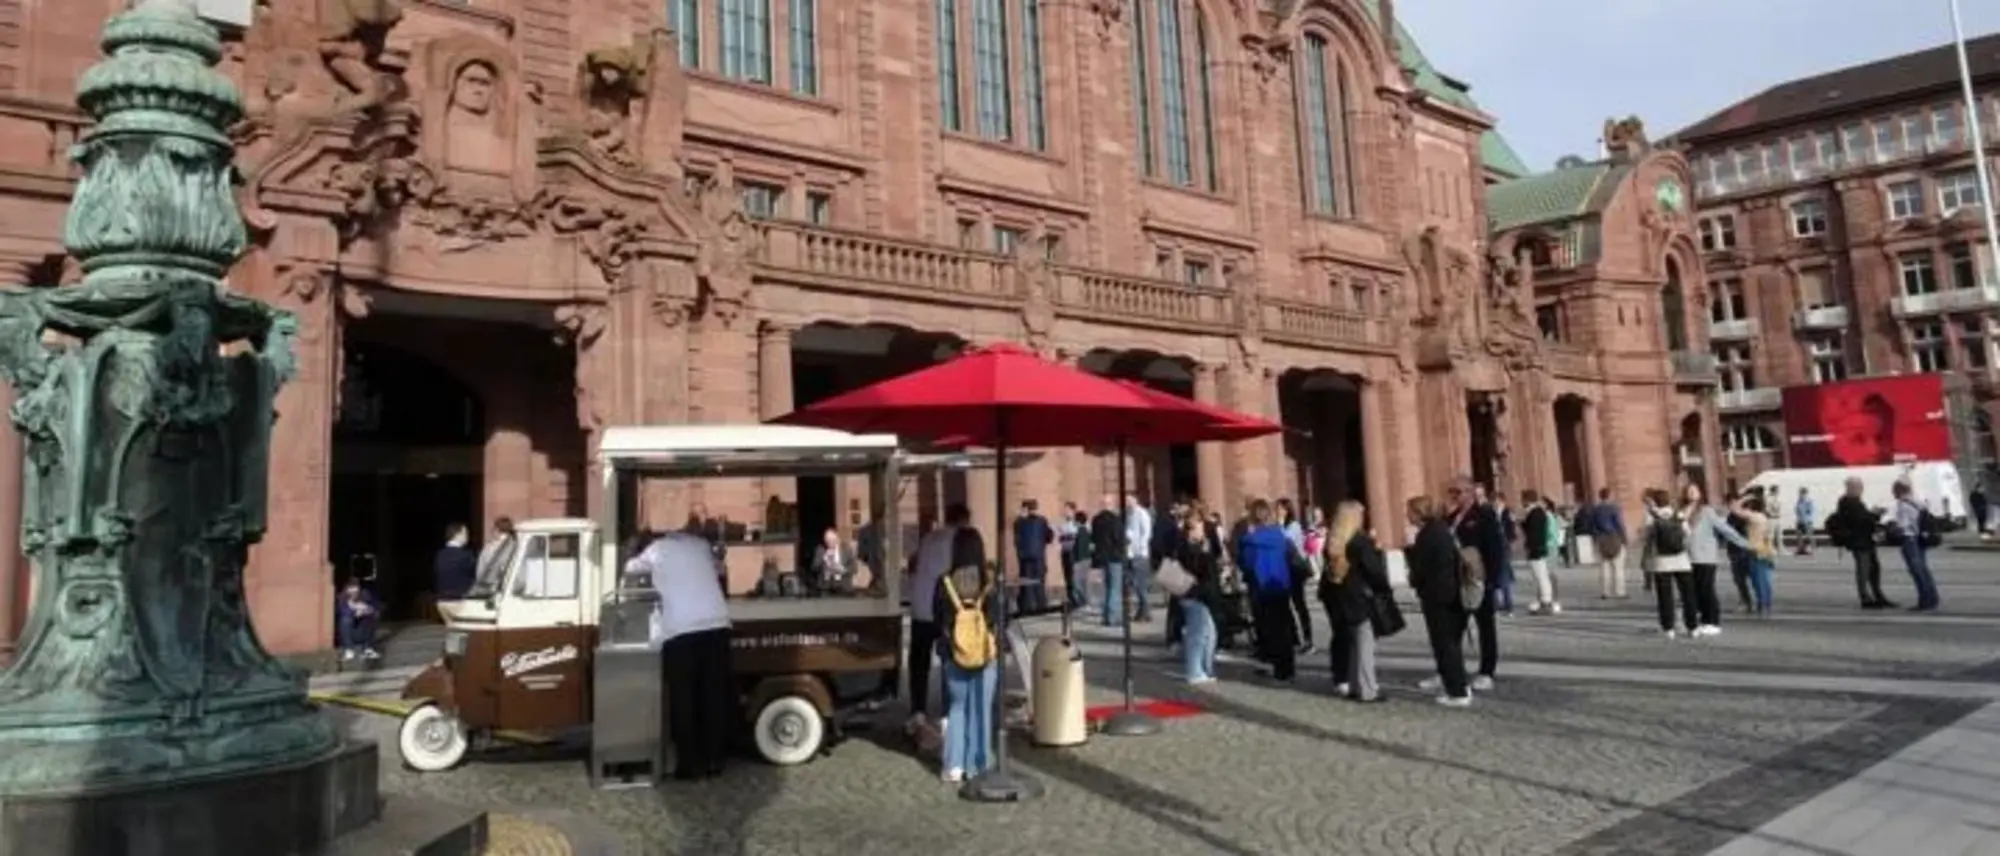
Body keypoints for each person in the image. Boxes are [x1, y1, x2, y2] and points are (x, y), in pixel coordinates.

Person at [629, 531, 733, 780]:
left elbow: (630, 570)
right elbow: (719, 568)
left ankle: (689, 764)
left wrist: (632, 550)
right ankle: (715, 760)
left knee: (684, 700)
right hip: (717, 625)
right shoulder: (699, 543)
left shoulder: (656, 550)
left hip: (681, 630)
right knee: (713, 697)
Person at [934, 525, 998, 783]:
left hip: (954, 654)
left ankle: (954, 765)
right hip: (984, 656)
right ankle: (979, 764)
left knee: (957, 708)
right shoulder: (989, 582)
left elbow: (938, 617)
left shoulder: (945, 582)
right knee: (982, 709)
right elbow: (998, 618)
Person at [907, 503, 974, 732]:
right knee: (950, 661)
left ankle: (918, 711)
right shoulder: (963, 539)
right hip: (944, 608)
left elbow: (913, 564)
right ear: (964, 520)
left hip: (920, 604)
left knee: (919, 662)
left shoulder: (929, 538)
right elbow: (967, 575)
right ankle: (948, 713)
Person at [1403, 496, 1472, 707]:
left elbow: (1422, 569)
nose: (1407, 515)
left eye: (1410, 511)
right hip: (1448, 594)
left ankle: (1457, 691)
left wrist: (1410, 555)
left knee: (1445, 643)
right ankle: (1455, 682)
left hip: (1439, 596)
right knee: (1449, 643)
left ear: (1418, 513)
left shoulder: (1429, 535)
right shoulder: (1439, 530)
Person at [1320, 501, 1390, 702]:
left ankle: (1353, 685)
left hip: (1340, 598)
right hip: (1360, 598)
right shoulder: (1360, 542)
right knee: (1364, 644)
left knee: (1352, 643)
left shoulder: (1334, 541)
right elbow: (1374, 572)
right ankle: (1368, 690)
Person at [1445, 483, 1503, 691]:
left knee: (1485, 628)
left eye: (1457, 491)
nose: (1454, 496)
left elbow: (1496, 548)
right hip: (1458, 581)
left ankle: (1487, 671)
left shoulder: (1484, 515)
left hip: (1479, 579)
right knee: (1453, 629)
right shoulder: (1451, 518)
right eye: (1452, 492)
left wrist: (1493, 580)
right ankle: (1450, 670)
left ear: (1469, 493)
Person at [1236, 499, 1297, 682]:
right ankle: (1287, 667)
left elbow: (1246, 563)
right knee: (1284, 626)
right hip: (1280, 585)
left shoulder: (1249, 542)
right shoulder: (1279, 536)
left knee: (1267, 627)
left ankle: (1273, 663)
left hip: (1261, 587)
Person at [1682, 483, 1751, 637]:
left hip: (1706, 557)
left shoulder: (1706, 511)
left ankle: (1713, 621)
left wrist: (1744, 543)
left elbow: (1724, 529)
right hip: (1687, 557)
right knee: (1695, 591)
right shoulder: (1683, 512)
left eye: (1694, 490)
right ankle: (1702, 620)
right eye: (1688, 491)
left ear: (1700, 494)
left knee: (1707, 589)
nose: (1691, 493)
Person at [1638, 488, 1698, 638]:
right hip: (1682, 560)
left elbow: (1646, 538)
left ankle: (1668, 628)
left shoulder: (1651, 516)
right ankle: (1692, 626)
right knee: (1688, 594)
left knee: (1665, 596)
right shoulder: (1678, 514)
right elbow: (1688, 534)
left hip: (1661, 561)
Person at [1824, 478, 1891, 609]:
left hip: (1865, 540)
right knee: (1864, 569)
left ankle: (1877, 595)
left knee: (1873, 568)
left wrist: (1872, 515)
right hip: (1859, 541)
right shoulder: (1850, 502)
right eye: (1859, 487)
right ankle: (1866, 597)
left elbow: (1862, 518)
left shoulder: (1851, 502)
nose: (1861, 489)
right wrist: (1875, 515)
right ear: (1852, 488)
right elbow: (1860, 520)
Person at [1172, 512, 1222, 684]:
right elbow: (1197, 569)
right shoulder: (1189, 548)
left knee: (1208, 633)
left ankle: (1204, 668)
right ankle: (1195, 671)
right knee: (1197, 634)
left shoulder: (1193, 546)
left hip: (1196, 593)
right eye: (1200, 528)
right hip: (1194, 594)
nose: (1203, 531)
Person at [1889, 481, 1942, 612]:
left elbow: (1904, 525)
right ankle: (1932, 598)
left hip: (1909, 539)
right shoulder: (1918, 502)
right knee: (1924, 570)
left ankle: (1924, 600)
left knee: (1917, 571)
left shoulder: (1903, 505)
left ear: (1898, 491)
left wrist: (1893, 528)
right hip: (1920, 539)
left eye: (1894, 490)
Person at [1274, 498, 1316, 655]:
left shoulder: (1294, 526)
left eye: (1281, 509)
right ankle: (1294, 638)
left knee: (1299, 605)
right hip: (1284, 569)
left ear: (1287, 510)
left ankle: (1308, 639)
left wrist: (1279, 524)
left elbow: (1285, 541)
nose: (1278, 512)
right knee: (1286, 605)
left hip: (1295, 569)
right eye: (1277, 509)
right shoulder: (1282, 526)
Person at [1734, 493, 1779, 616]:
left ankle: (1762, 603)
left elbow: (1734, 509)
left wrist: (1746, 497)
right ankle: (1767, 603)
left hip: (1755, 550)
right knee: (1766, 579)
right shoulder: (1764, 517)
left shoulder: (1753, 516)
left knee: (1758, 579)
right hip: (1766, 550)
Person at [1582, 488, 1629, 598]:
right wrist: (1624, 538)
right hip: (1614, 537)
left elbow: (1591, 526)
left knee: (1604, 567)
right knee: (1618, 567)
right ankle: (1620, 591)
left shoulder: (1595, 510)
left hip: (1601, 539)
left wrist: (1596, 537)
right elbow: (1619, 524)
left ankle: (1605, 591)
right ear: (1610, 496)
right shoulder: (1614, 509)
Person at [1520, 490, 1560, 615]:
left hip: (1536, 549)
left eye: (1523, 499)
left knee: (1540, 576)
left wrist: (1530, 546)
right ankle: (1545, 600)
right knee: (1541, 576)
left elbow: (1533, 533)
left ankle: (1545, 601)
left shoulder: (1535, 513)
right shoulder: (1537, 512)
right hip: (1539, 548)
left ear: (1527, 499)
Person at [1089, 495, 1127, 626]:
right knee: (1115, 588)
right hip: (1115, 557)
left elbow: (1093, 538)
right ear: (1111, 505)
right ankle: (1113, 617)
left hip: (1101, 557)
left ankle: (1105, 616)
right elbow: (1119, 538)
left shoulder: (1096, 520)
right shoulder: (1115, 519)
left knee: (1105, 587)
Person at [1012, 500, 1054, 614]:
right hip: (1039, 557)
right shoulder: (1042, 521)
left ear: (1024, 509)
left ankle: (1026, 607)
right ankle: (1041, 607)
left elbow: (1016, 540)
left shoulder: (1018, 522)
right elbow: (1049, 537)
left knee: (1026, 584)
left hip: (1025, 559)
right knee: (1040, 583)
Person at [1124, 495, 1155, 623]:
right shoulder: (1130, 515)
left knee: (1140, 584)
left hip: (1140, 554)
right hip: (1131, 553)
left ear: (1135, 501)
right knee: (1134, 584)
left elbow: (1146, 533)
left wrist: (1141, 549)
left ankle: (1145, 611)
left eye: (1129, 501)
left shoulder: (1142, 514)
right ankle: (1142, 611)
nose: (1127, 504)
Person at [334, 577, 381, 661]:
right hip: (350, 632)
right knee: (345, 620)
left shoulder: (365, 596)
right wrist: (355, 613)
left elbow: (375, 609)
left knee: (370, 617)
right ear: (347, 589)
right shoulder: (342, 599)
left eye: (355, 587)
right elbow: (343, 611)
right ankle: (349, 650)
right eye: (351, 588)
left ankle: (368, 649)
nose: (353, 590)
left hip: (363, 631)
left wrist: (366, 611)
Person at [434, 522, 478, 601]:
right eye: (465, 533)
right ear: (457, 535)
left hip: (442, 597)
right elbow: (476, 575)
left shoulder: (440, 554)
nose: (467, 537)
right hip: (461, 597)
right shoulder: (466, 555)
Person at [808, 527, 854, 595]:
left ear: (838, 539)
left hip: (843, 587)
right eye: (827, 541)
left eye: (832, 541)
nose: (829, 543)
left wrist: (843, 570)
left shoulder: (847, 550)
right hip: (825, 587)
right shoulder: (821, 550)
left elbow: (854, 568)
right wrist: (823, 558)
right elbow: (814, 568)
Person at [1058, 502, 1086, 610]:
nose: (1065, 512)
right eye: (1064, 510)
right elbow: (1061, 538)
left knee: (1074, 577)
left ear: (1072, 511)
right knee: (1067, 577)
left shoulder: (1078, 523)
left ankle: (1079, 600)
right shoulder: (1063, 524)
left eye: (1067, 510)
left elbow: (1076, 537)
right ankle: (1071, 599)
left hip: (1073, 552)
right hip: (1065, 551)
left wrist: (1067, 537)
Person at [1792, 488, 1817, 556]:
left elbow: (1810, 511)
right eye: (1800, 493)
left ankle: (1811, 549)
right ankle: (1800, 548)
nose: (1801, 495)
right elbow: (1796, 510)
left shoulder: (1809, 501)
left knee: (1809, 535)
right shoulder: (1799, 501)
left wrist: (1806, 518)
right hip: (1800, 520)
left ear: (1805, 494)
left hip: (1807, 520)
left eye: (1802, 493)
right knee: (1799, 535)